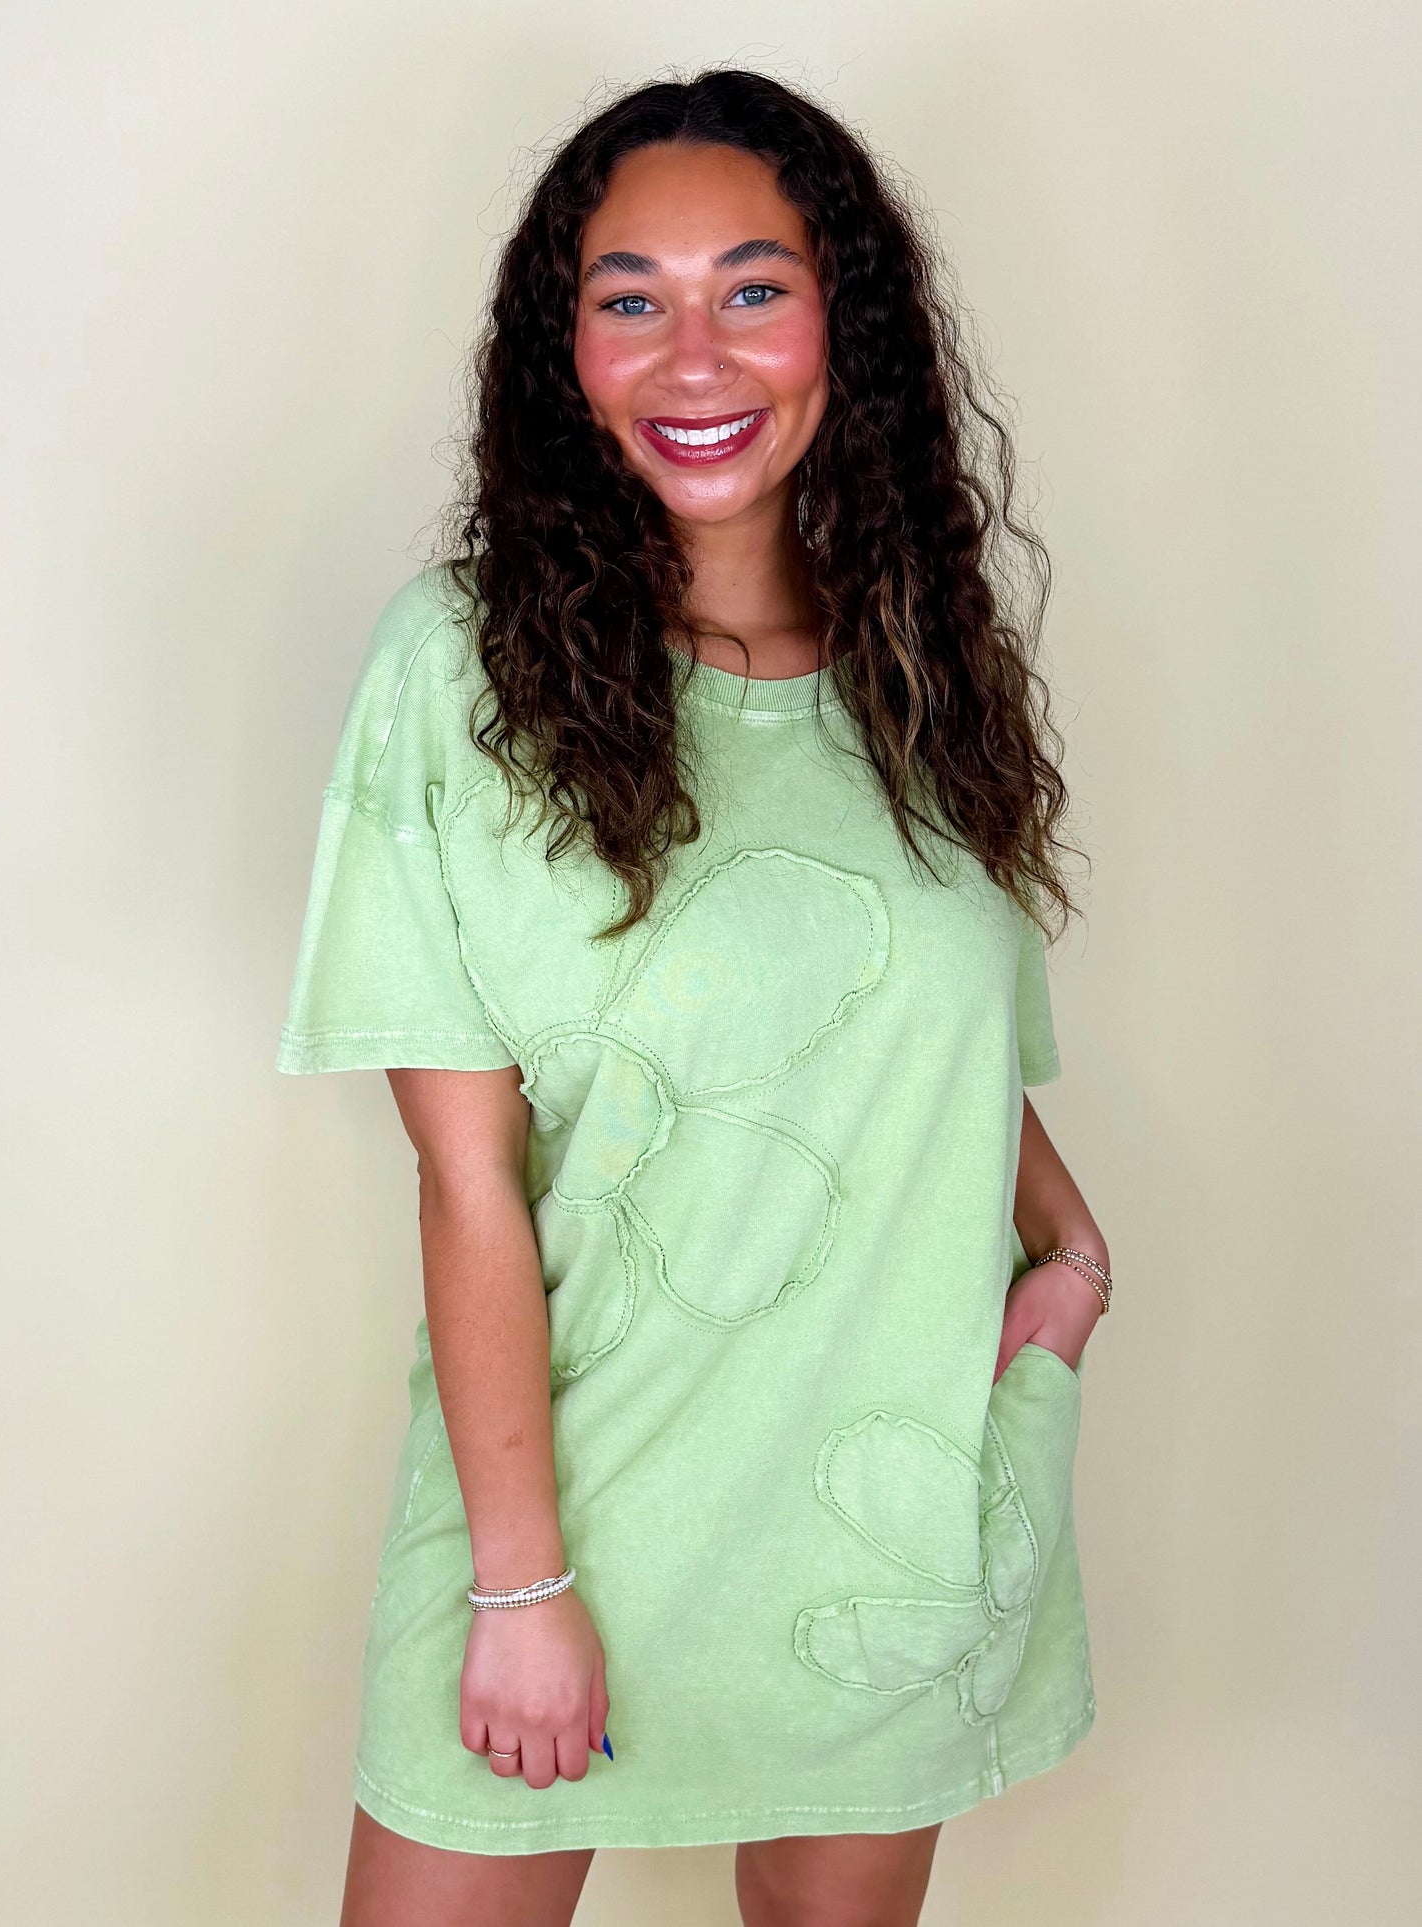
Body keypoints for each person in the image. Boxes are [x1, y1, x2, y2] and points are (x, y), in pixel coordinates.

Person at [278, 66, 1111, 1927]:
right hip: (562, 1507)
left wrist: (1067, 1256)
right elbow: (466, 1178)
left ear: (841, 326)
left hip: (879, 1518)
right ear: (564, 353)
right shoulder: (462, 670)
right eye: (628, 298)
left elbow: (935, 1037)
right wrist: (518, 1588)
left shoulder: (921, 669)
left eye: (753, 287)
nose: (693, 356)